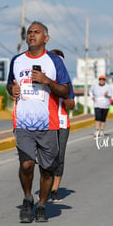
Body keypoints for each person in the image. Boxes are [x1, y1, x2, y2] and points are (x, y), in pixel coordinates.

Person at [6, 21, 71, 223]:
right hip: (23, 123)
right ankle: (27, 198)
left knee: (46, 169)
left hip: (49, 124)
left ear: (46, 38)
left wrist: (47, 81)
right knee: (26, 164)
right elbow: (10, 84)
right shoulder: (17, 61)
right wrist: (12, 90)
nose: (32, 35)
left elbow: (66, 91)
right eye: (29, 32)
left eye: (37, 32)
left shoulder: (55, 62)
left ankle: (42, 204)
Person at [49, 49, 75, 203]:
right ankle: (46, 184)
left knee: (59, 157)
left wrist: (65, 96)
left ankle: (54, 190)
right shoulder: (42, 81)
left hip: (62, 123)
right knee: (47, 157)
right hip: (45, 123)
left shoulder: (67, 83)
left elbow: (71, 106)